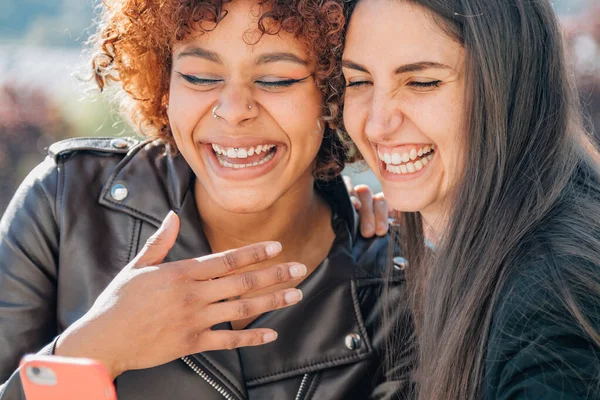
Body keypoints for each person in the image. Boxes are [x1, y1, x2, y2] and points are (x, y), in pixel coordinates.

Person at [0, 1, 395, 399]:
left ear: (336, 92)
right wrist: (95, 351)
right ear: (165, 84)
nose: (234, 110)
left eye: (276, 79)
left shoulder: (395, 288)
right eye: (200, 76)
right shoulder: (63, 201)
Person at [341, 0, 600, 398]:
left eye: (421, 82)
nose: (377, 123)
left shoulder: (554, 299)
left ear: (511, 81)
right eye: (358, 82)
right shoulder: (452, 255)